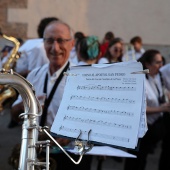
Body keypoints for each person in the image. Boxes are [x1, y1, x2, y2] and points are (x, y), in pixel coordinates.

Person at [10, 20, 92, 170]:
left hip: (69, 157)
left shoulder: (84, 79)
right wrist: (26, 106)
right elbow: (14, 114)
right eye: (49, 41)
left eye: (61, 41)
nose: (55, 48)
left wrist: (74, 134)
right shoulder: (34, 75)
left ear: (72, 44)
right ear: (44, 43)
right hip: (35, 152)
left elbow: (94, 122)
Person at [124, 49, 170, 170]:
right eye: (158, 62)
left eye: (162, 62)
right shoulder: (139, 79)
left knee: (142, 161)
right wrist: (162, 108)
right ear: (147, 64)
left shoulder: (155, 76)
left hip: (151, 129)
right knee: (135, 162)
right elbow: (138, 108)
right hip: (140, 131)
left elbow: (161, 94)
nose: (161, 66)